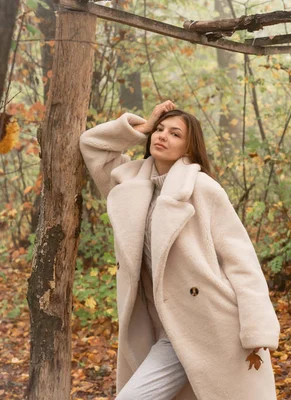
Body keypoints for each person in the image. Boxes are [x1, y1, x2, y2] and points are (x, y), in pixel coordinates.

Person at [79, 101, 280, 400]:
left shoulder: (203, 188)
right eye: (159, 130)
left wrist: (257, 328)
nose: (162, 136)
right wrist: (143, 126)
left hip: (209, 323)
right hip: (163, 327)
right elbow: (92, 144)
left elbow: (240, 260)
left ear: (189, 147)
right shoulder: (129, 183)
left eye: (175, 134)